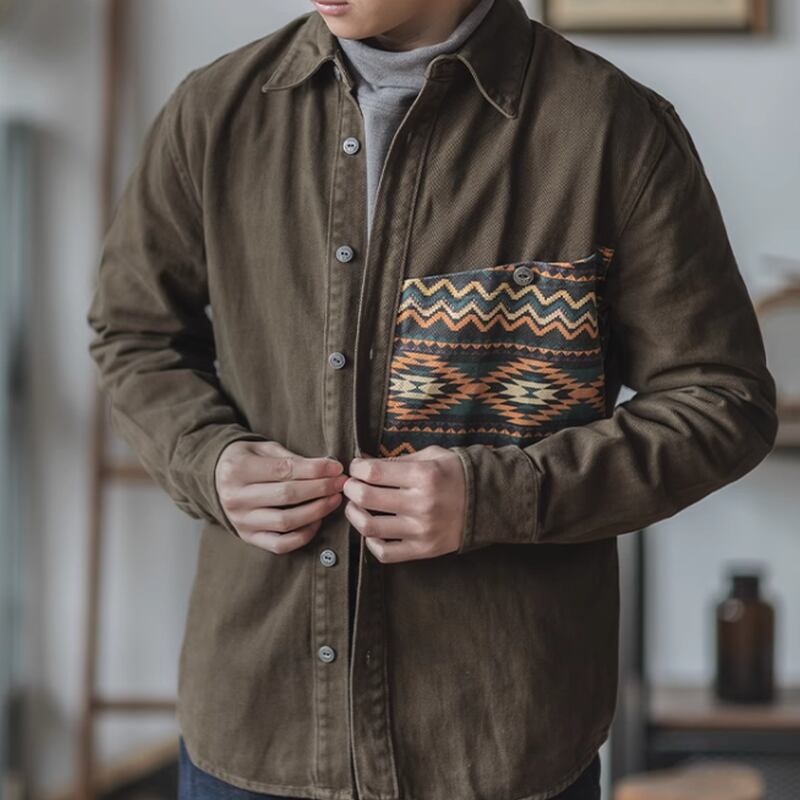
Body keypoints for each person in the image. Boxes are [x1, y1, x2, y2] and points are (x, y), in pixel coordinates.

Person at [85, 0, 778, 798]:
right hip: (255, 726)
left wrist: (501, 496)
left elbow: (722, 399)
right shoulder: (214, 112)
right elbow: (134, 333)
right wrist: (206, 460)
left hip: (496, 741)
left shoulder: (610, 130)